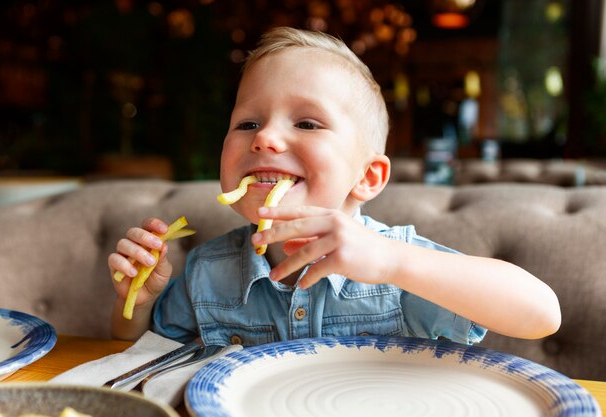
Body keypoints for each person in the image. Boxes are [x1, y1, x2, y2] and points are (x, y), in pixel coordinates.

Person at [108, 27, 561, 345]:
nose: (264, 137)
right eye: (247, 122)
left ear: (367, 177)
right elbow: (145, 351)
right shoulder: (207, 271)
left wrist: (394, 263)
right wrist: (139, 302)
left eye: (306, 122)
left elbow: (542, 313)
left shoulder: (397, 267)